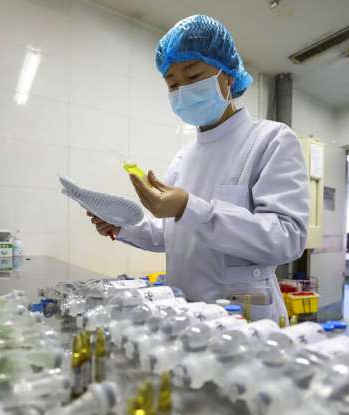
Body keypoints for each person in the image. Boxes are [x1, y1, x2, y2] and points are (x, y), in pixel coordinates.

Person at [88, 14, 309, 322]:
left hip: (246, 320)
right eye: (173, 84)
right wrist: (122, 226)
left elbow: (287, 238)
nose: (183, 91)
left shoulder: (271, 140)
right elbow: (175, 236)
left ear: (228, 76)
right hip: (185, 316)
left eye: (193, 77)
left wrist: (189, 208)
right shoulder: (184, 157)